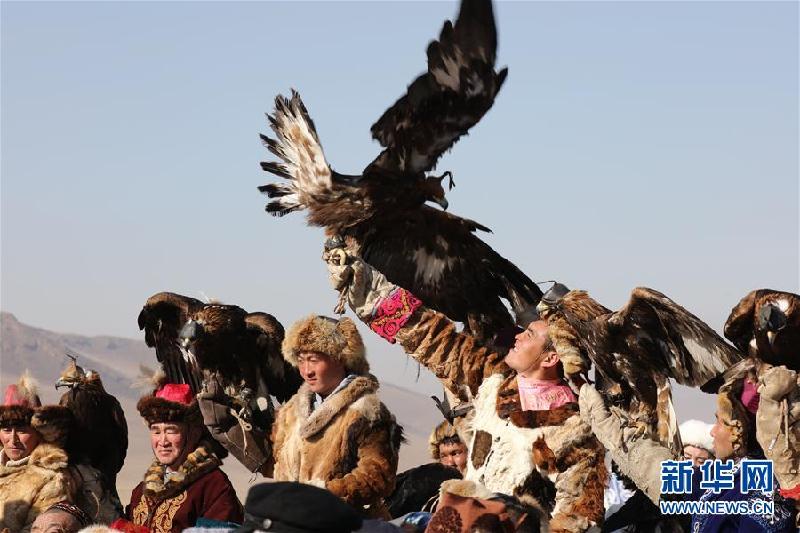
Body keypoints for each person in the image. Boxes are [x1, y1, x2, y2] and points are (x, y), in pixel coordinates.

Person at [322, 249, 607, 532]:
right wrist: (366, 287)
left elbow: (579, 515)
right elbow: (432, 338)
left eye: (529, 334)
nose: (518, 336)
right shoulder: (494, 382)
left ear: (550, 358)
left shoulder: (573, 429)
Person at [200, 315, 404, 519]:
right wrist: (227, 427)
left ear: (341, 358)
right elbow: (275, 466)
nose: (306, 371)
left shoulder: (366, 412)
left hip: (345, 524)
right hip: (292, 523)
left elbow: (378, 477)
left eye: (314, 360)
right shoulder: (291, 411)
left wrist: (320, 493)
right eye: (300, 360)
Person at [580, 373, 796, 532]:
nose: (713, 430)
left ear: (739, 432)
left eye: (720, 422)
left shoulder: (765, 491)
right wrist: (610, 428)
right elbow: (659, 473)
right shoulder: (727, 477)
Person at [126, 378, 243, 532]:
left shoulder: (214, 487)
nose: (162, 441)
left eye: (171, 430)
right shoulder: (140, 491)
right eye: (156, 431)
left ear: (194, 433)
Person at [0, 374, 75, 533]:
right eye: (6, 430)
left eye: (22, 430)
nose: (13, 439)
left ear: (38, 432)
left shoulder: (52, 480)